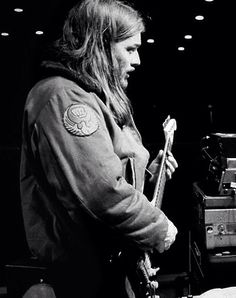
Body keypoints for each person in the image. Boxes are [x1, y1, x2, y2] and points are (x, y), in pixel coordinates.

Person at [20, 0, 178, 297]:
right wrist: (159, 227)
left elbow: (103, 173)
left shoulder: (89, 97)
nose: (138, 60)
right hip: (83, 280)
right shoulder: (64, 99)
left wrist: (149, 174)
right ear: (101, 46)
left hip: (105, 272)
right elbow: (100, 193)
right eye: (130, 49)